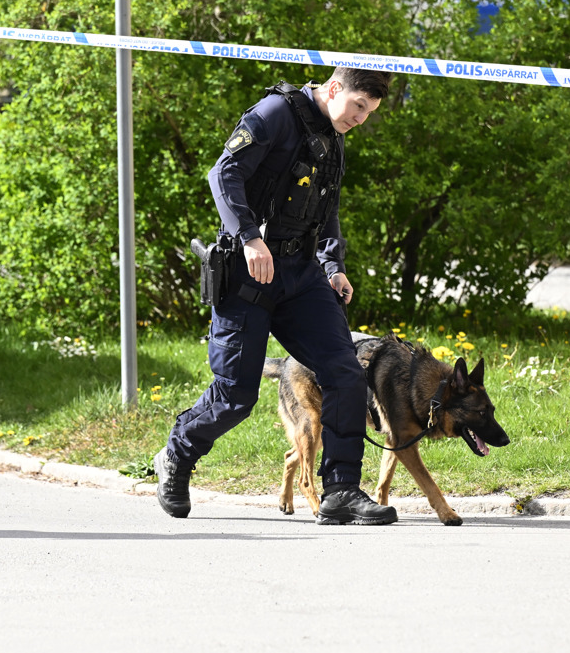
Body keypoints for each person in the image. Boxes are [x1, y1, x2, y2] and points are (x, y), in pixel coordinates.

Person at [154, 67, 397, 525]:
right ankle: (176, 455)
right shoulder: (274, 114)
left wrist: (333, 265)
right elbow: (222, 174)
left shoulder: (333, 133)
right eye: (358, 106)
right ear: (333, 88)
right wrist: (248, 237)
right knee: (235, 396)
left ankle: (341, 490)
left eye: (370, 112)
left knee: (345, 373)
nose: (361, 118)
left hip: (302, 275)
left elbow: (325, 206)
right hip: (249, 272)